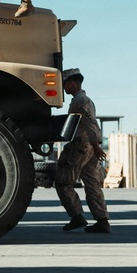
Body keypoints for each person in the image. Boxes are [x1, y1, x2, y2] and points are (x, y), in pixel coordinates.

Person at [55, 68, 111, 233]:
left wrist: (96, 145)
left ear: (72, 83)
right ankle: (102, 221)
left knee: (63, 182)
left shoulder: (81, 101)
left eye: (64, 85)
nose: (63, 89)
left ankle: (77, 216)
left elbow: (91, 123)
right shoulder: (81, 100)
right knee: (92, 184)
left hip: (81, 146)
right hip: (88, 147)